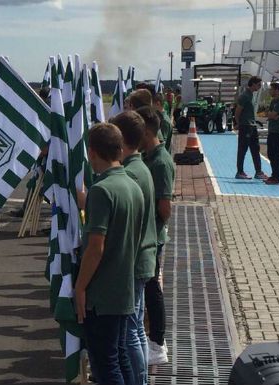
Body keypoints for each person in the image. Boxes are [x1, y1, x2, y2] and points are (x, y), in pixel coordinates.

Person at [74, 122, 144, 385]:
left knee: (105, 366)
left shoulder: (102, 190)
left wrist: (80, 287)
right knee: (120, 357)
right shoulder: (131, 185)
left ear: (92, 153)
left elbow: (96, 246)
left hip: (103, 293)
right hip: (123, 288)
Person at [111, 111, 158, 385]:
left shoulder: (131, 173)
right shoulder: (141, 168)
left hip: (134, 260)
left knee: (130, 330)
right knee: (136, 327)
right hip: (143, 257)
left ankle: (137, 379)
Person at [136, 106, 174, 365]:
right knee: (148, 289)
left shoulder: (160, 162)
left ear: (147, 131)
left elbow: (164, 207)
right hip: (147, 235)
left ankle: (158, 343)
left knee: (152, 291)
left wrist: (151, 226)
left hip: (152, 237)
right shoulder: (149, 157)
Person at [234, 76, 266, 180]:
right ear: (252, 84)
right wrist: (238, 123)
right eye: (258, 85)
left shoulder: (251, 95)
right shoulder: (245, 96)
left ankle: (259, 172)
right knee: (242, 149)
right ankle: (240, 172)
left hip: (252, 126)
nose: (260, 87)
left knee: (255, 149)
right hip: (245, 126)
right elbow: (237, 111)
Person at [265, 83, 279, 185]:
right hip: (271, 130)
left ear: (277, 90)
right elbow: (268, 114)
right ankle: (273, 175)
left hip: (278, 131)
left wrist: (271, 115)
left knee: (277, 155)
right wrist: (271, 115)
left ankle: (277, 177)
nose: (270, 91)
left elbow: (272, 115)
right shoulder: (273, 101)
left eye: (272, 89)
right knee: (270, 153)